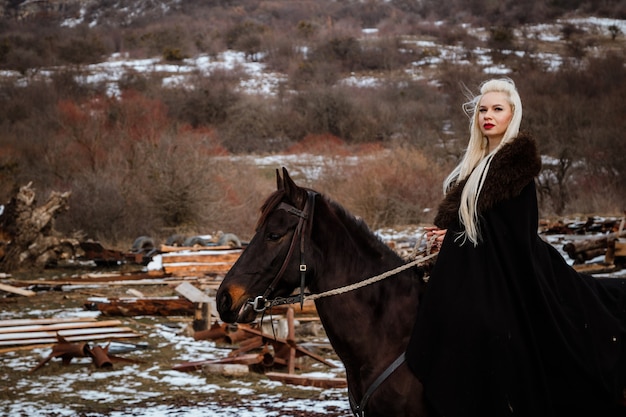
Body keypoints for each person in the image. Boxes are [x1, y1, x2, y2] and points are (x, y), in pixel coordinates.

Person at [406, 78, 626, 416]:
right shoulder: (476, 165)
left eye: (497, 109)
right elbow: (475, 226)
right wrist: (450, 235)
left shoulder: (514, 170)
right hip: (479, 270)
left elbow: (511, 234)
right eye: (483, 109)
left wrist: (455, 237)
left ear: (512, 115)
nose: (488, 116)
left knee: (493, 329)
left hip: (514, 273)